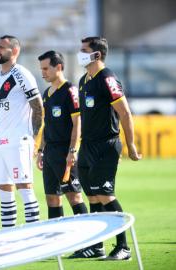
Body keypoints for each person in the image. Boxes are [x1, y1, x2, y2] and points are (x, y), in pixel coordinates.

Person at [70, 37, 141, 260]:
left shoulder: (107, 78)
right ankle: (96, 245)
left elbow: (125, 113)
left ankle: (124, 247)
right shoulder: (83, 80)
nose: (80, 54)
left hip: (106, 145)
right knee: (92, 196)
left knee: (105, 195)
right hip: (87, 146)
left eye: (84, 51)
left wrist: (130, 145)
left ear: (97, 55)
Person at [0, 35, 43, 227]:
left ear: (15, 51)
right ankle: (8, 235)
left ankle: (33, 235)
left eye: (2, 47)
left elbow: (38, 107)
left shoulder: (21, 74)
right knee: (3, 189)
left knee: (24, 187)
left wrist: (34, 139)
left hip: (18, 140)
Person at [36, 51, 88, 219]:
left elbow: (77, 123)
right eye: (41, 69)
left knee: (74, 196)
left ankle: (90, 243)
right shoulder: (47, 93)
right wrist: (40, 151)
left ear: (58, 67)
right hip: (50, 152)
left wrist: (72, 151)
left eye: (46, 69)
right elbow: (47, 124)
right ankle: (57, 241)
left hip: (65, 152)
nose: (42, 72)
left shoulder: (70, 90)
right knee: (52, 198)